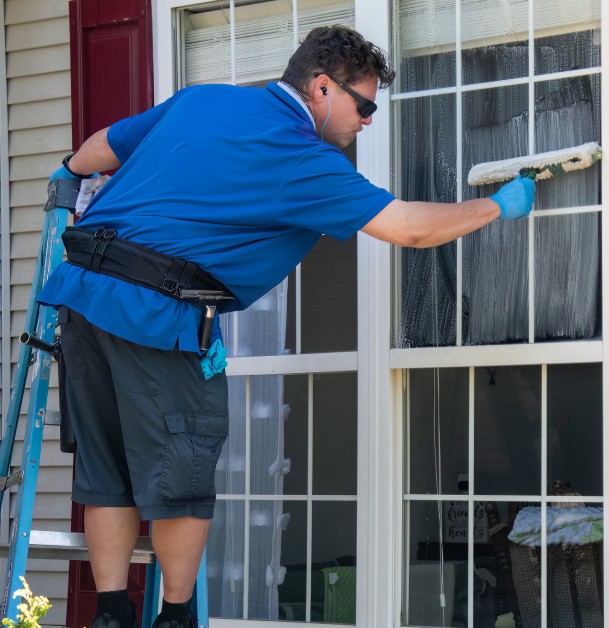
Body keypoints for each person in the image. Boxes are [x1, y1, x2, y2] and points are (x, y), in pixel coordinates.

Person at [38, 25, 534, 628]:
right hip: (155, 315)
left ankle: (111, 614)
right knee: (181, 475)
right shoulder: (301, 159)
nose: (369, 121)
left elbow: (97, 150)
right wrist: (496, 207)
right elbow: (408, 228)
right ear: (322, 88)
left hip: (81, 299)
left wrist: (65, 178)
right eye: (365, 104)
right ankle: (173, 618)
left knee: (106, 469)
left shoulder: (204, 98)